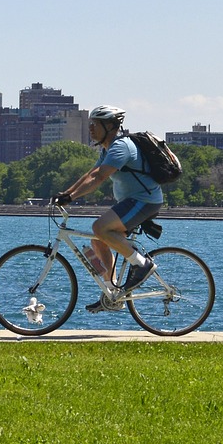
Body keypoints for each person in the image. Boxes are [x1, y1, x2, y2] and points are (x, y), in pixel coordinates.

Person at [50, 105, 163, 313]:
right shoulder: (108, 148)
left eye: (95, 124)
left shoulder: (121, 147)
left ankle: (142, 264)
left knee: (100, 227)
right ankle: (113, 293)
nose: (90, 128)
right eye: (90, 124)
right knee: (98, 241)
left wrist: (71, 197)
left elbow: (99, 177)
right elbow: (90, 173)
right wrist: (65, 194)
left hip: (144, 200)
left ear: (110, 126)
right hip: (131, 202)